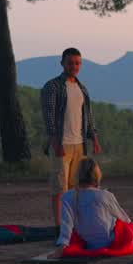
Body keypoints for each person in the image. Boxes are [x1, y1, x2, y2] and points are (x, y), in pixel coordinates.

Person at [40, 47, 101, 228]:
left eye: (77, 63)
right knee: (60, 187)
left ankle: (74, 224)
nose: (74, 66)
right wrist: (55, 141)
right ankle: (60, 226)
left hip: (79, 144)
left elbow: (88, 116)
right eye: (70, 63)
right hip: (62, 144)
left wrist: (94, 138)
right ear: (62, 63)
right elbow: (49, 116)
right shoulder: (52, 86)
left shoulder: (82, 88)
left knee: (78, 187)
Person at [49, 158, 130, 258]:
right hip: (109, 242)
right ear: (97, 175)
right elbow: (125, 220)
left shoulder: (67, 196)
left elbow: (66, 226)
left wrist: (61, 248)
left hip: (87, 243)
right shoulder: (105, 195)